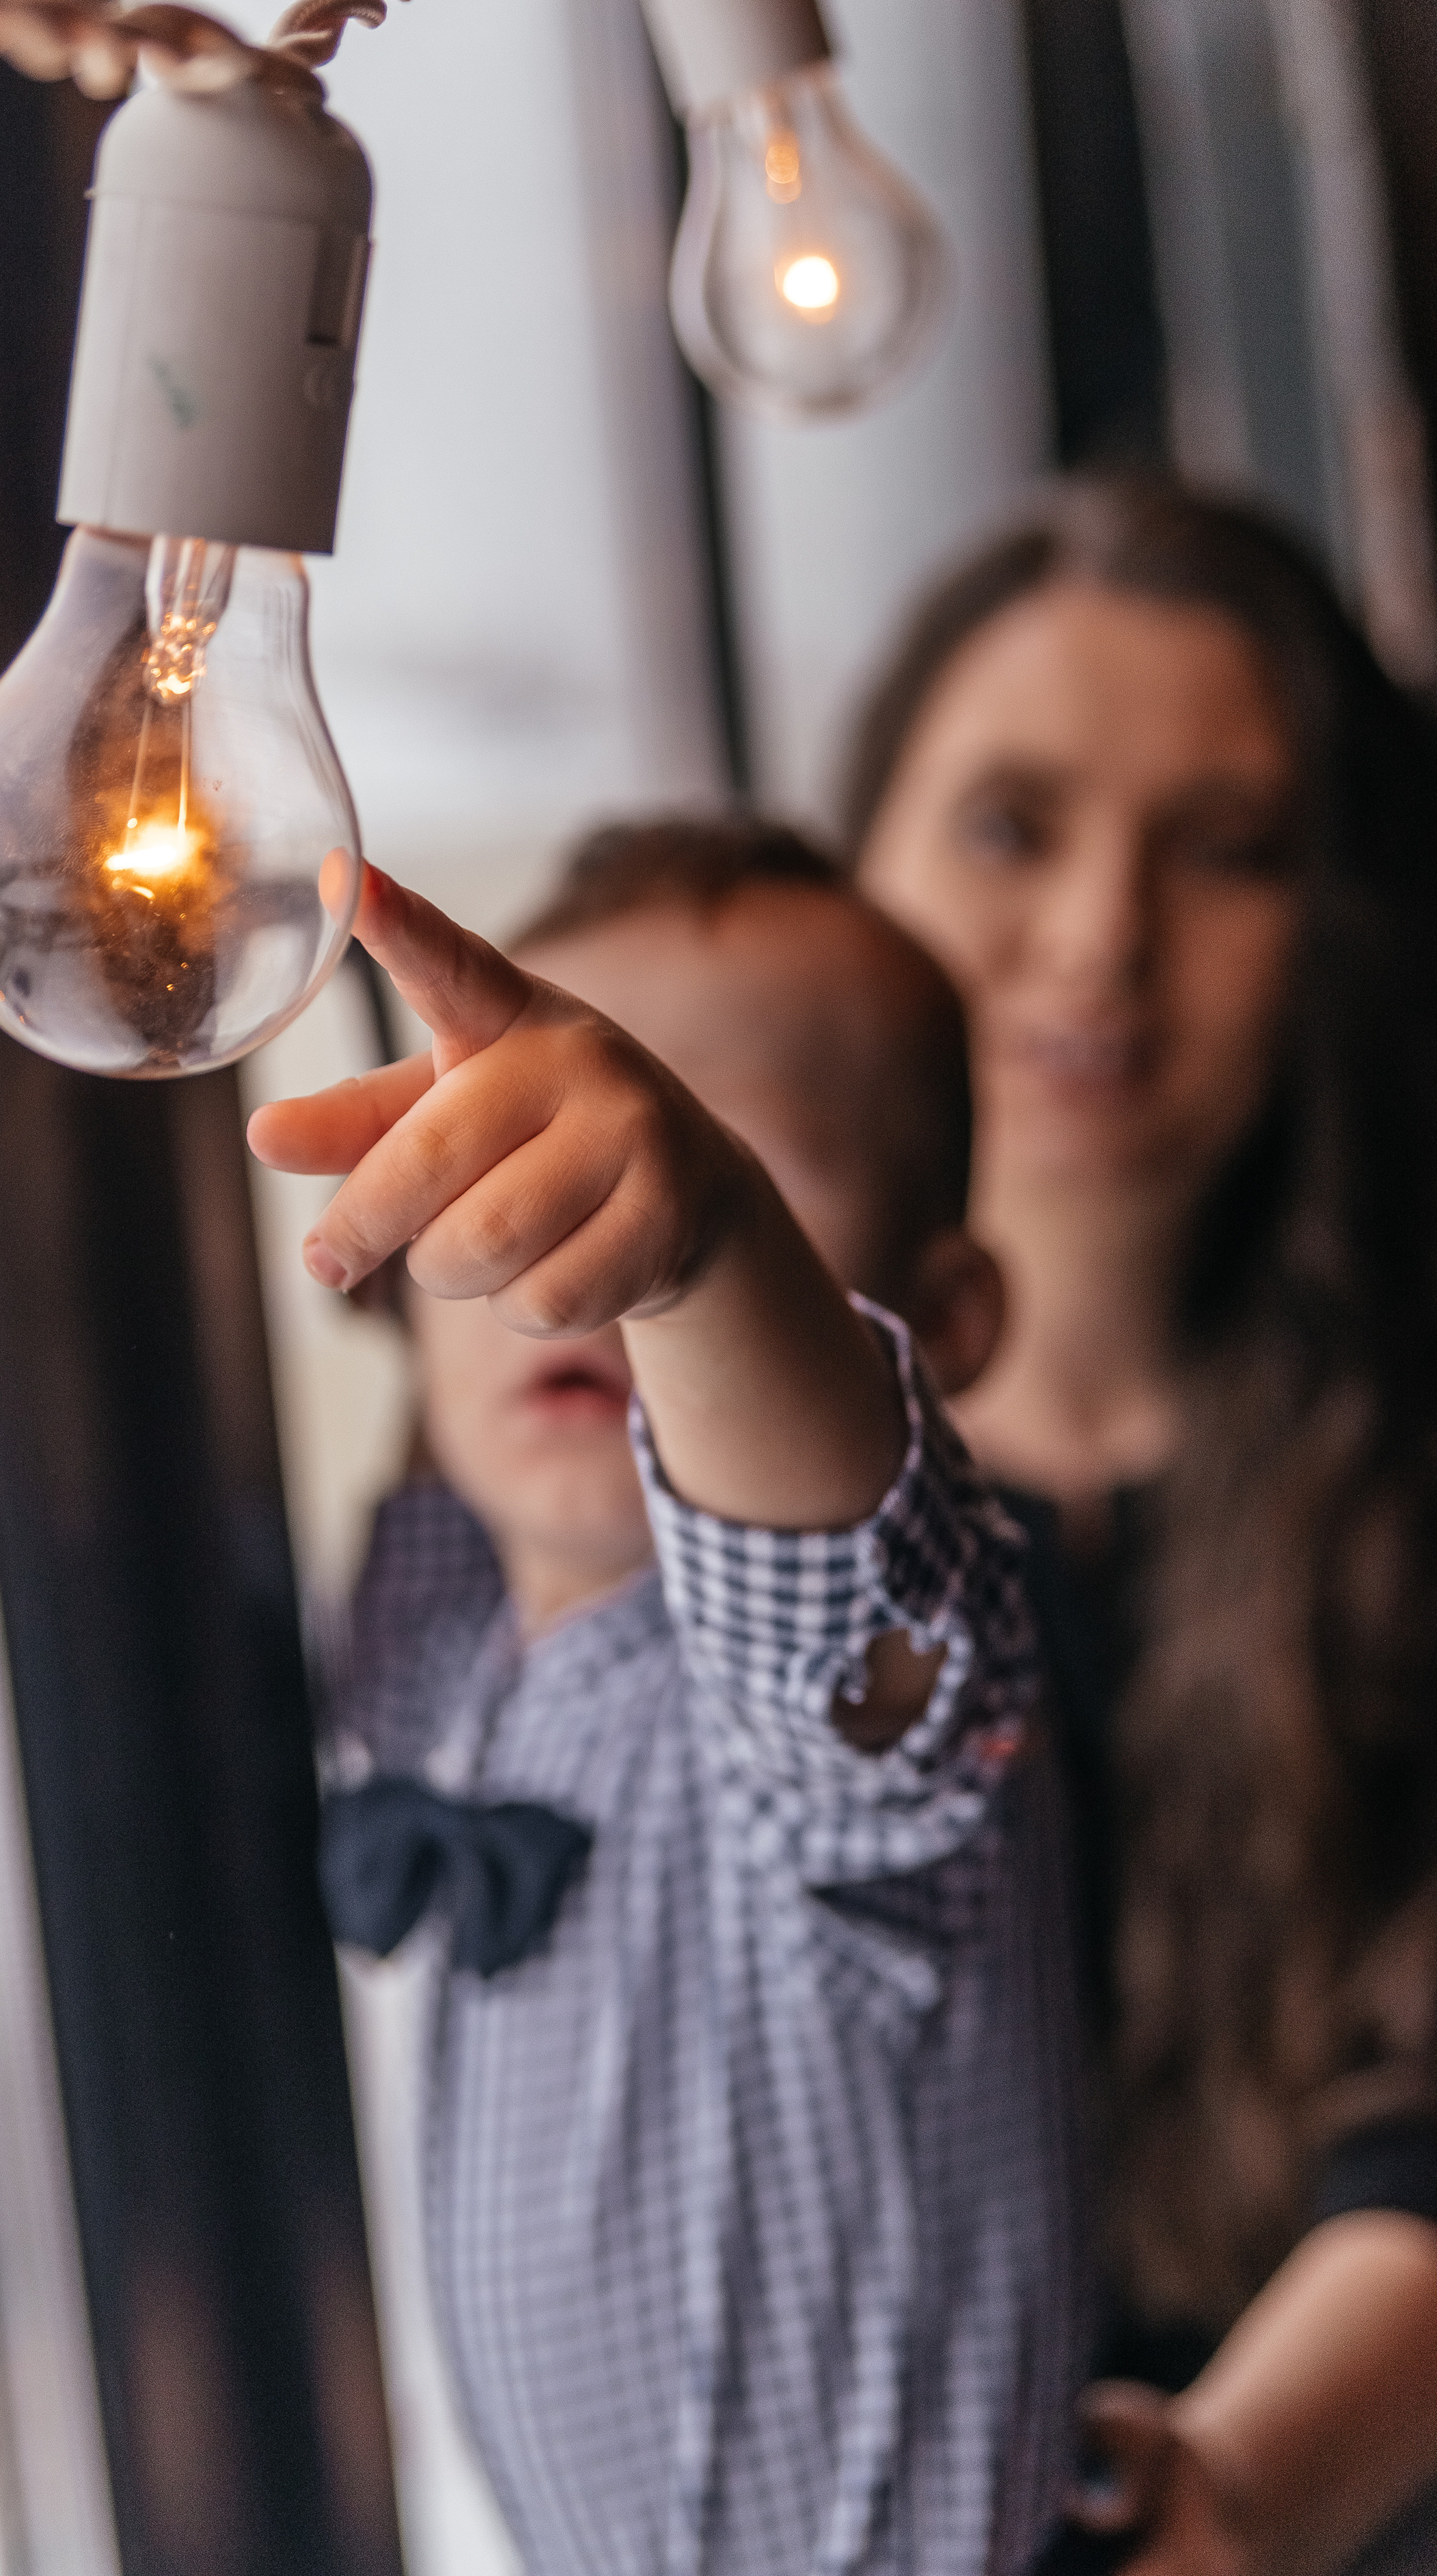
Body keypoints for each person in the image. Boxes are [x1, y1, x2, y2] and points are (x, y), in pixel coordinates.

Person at [248, 828, 1088, 2576]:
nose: (577, 1232)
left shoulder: (844, 1714)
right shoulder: (452, 1643)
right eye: (512, 1163)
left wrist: (705, 1256)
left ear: (934, 1321)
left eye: (727, 1166)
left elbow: (826, 1550)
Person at [843, 474, 1437, 2575]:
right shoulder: (724, 1497)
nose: (1101, 937)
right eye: (1012, 825)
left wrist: (1239, 2497)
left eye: (1230, 853)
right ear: (861, 860)